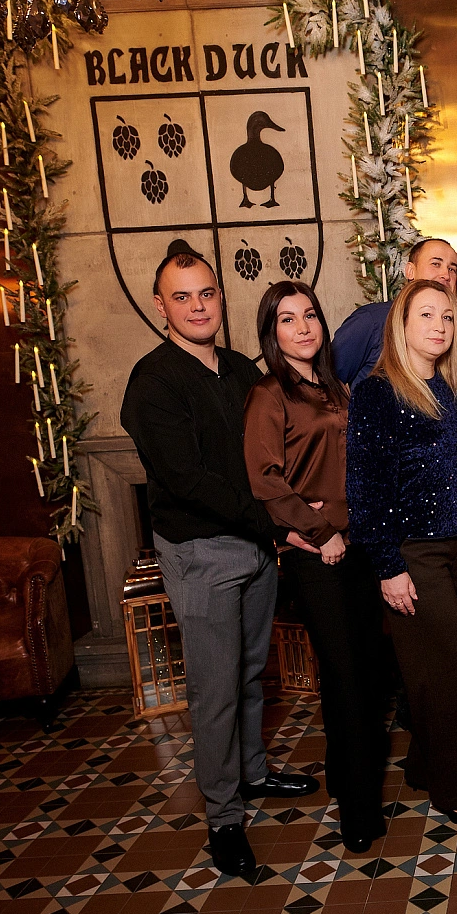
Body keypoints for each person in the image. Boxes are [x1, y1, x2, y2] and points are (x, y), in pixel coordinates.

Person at [121, 241, 318, 879]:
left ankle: (253, 773)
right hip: (201, 550)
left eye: (206, 293)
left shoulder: (238, 369)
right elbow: (187, 479)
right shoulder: (153, 383)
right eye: (182, 297)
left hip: (255, 546)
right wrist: (279, 522)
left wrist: (290, 512)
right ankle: (224, 818)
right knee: (214, 689)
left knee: (251, 671)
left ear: (221, 298)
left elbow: (268, 456)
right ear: (161, 306)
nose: (197, 306)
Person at [244, 280, 389, 855]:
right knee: (346, 677)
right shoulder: (269, 394)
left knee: (367, 672)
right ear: (271, 332)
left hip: (358, 546)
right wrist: (317, 530)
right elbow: (265, 480)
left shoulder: (335, 388)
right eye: (288, 319)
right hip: (318, 555)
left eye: (310, 315)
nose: (303, 327)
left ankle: (349, 780)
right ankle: (358, 811)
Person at [346, 278, 457, 825]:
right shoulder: (377, 392)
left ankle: (426, 764)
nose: (439, 325)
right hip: (413, 552)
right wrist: (388, 567)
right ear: (401, 325)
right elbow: (364, 488)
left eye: (447, 316)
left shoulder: (452, 391)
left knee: (442, 669)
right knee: (453, 670)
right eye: (426, 315)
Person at [331, 238, 457, 386]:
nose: (446, 275)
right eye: (435, 264)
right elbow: (327, 379)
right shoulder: (372, 320)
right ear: (410, 271)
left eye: (452, 269)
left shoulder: (454, 327)